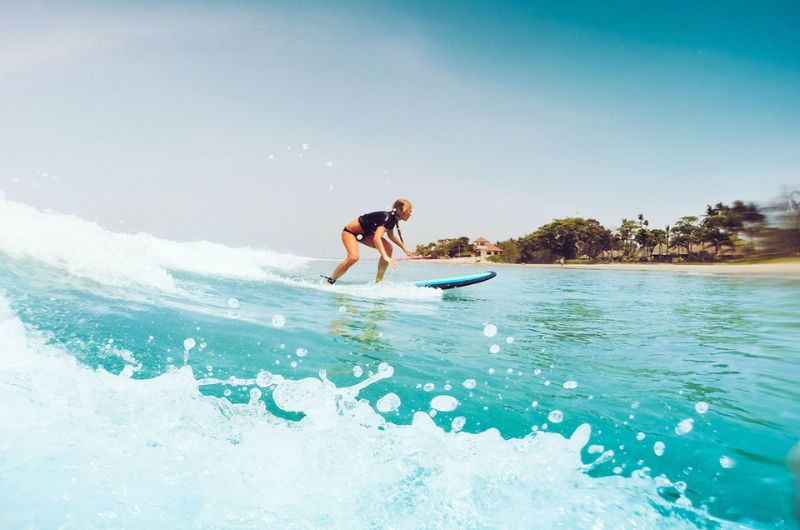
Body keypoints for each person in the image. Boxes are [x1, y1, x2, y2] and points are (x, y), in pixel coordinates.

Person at [323, 199, 416, 284]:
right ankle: (330, 280)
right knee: (353, 257)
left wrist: (404, 248)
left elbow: (390, 235)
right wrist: (385, 256)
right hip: (350, 232)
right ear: (400, 210)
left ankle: (378, 281)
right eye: (409, 211)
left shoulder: (393, 219)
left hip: (365, 234)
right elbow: (377, 238)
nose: (410, 214)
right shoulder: (387, 217)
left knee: (389, 248)